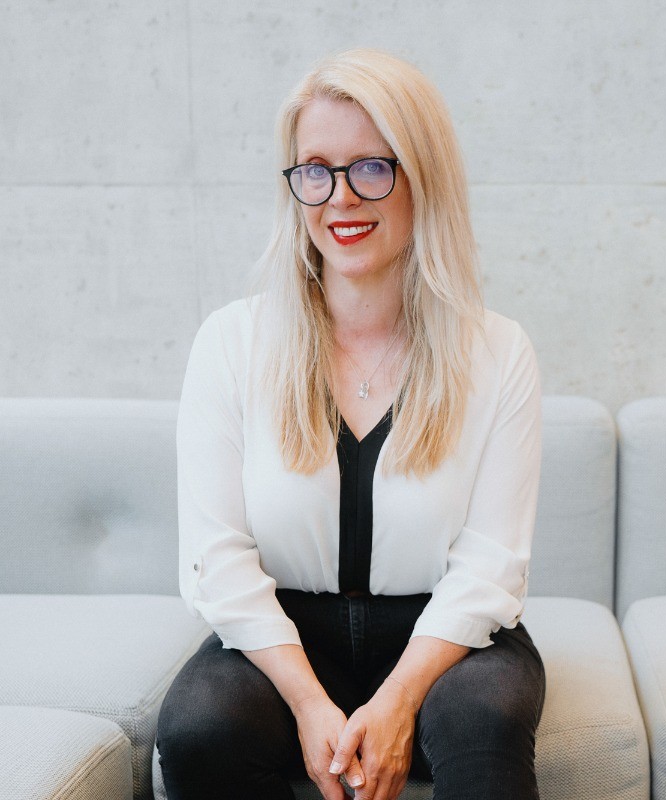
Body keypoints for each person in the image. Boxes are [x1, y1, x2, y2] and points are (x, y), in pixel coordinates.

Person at [157, 48, 545, 800]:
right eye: (315, 170)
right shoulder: (233, 343)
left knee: (484, 719)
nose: (340, 198)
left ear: (421, 176)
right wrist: (307, 702)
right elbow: (216, 558)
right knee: (201, 725)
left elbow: (492, 566)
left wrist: (399, 699)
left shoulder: (498, 350)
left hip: (448, 646)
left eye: (372, 167)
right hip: (287, 642)